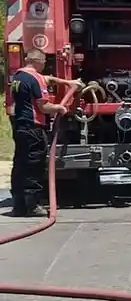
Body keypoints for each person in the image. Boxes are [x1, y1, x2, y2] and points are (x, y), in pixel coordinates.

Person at [9, 49, 83, 217]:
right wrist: (60, 108)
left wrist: (68, 82)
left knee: (20, 164)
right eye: (43, 63)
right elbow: (44, 107)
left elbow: (47, 79)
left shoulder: (18, 77)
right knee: (33, 165)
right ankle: (33, 205)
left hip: (20, 127)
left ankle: (19, 205)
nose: (44, 66)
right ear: (39, 61)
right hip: (34, 128)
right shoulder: (36, 79)